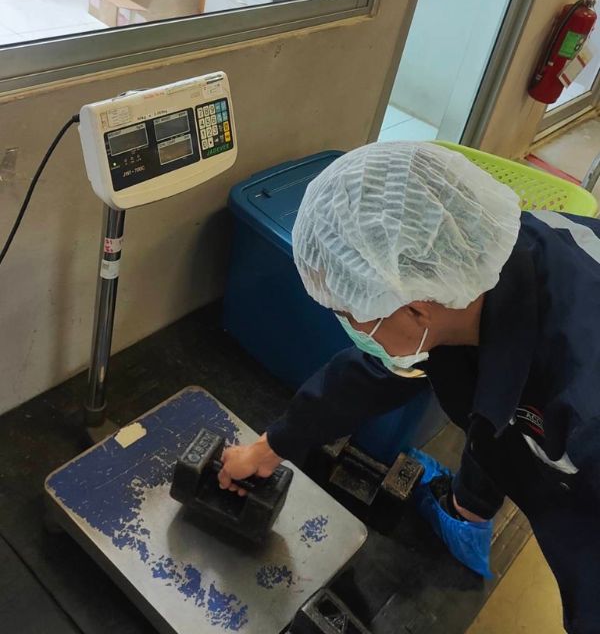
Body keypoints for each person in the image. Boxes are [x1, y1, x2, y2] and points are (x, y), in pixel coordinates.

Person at [218, 141, 600, 634]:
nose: (349, 325)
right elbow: (384, 372)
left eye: (347, 310)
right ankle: (468, 510)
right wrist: (272, 446)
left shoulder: (584, 411)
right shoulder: (481, 262)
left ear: (417, 309)